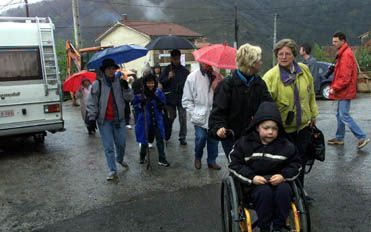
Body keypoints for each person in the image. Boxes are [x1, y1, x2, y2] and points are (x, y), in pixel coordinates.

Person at [229, 101, 301, 232]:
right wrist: (252, 177)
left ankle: (279, 227)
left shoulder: (286, 145)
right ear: (257, 127)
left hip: (278, 181)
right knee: (264, 192)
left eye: (274, 129)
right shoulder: (245, 143)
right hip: (254, 185)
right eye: (266, 128)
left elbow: (295, 164)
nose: (270, 132)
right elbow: (235, 165)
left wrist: (283, 175)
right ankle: (265, 227)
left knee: (284, 191)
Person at [262, 38, 319, 191]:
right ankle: (284, 192)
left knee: (300, 161)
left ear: (294, 55)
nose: (284, 57)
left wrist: (313, 115)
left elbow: (311, 94)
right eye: (280, 54)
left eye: (287, 53)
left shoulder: (304, 70)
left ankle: (299, 191)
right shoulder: (270, 77)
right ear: (276, 56)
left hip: (303, 128)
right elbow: (265, 106)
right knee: (283, 162)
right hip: (282, 130)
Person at [208, 43, 272, 156]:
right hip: (232, 139)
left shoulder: (260, 83)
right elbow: (218, 112)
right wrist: (219, 128)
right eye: (259, 60)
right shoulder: (226, 85)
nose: (261, 63)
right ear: (251, 64)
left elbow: (268, 107)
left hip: (254, 137)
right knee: (236, 168)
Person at [86, 58, 133, 180]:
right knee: (109, 147)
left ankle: (120, 159)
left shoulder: (120, 82)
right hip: (104, 121)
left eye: (113, 68)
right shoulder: (98, 84)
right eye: (109, 68)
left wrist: (126, 87)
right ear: (104, 70)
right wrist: (91, 118)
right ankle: (112, 170)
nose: (111, 71)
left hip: (119, 119)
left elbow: (129, 98)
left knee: (121, 144)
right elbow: (91, 102)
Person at [327, 31, 370, 149]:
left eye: (336, 41)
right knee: (339, 114)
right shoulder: (344, 53)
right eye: (333, 42)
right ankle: (339, 137)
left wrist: (334, 88)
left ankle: (362, 137)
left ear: (343, 41)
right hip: (344, 90)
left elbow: (345, 78)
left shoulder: (346, 55)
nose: (333, 44)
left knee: (344, 115)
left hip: (344, 90)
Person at [182, 62, 223, 170]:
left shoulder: (217, 76)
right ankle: (198, 157)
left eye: (210, 63)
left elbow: (222, 95)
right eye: (206, 63)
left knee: (214, 139)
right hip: (199, 115)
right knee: (201, 138)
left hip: (214, 114)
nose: (209, 65)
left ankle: (211, 161)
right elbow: (186, 100)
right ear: (200, 62)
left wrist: (218, 80)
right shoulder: (192, 78)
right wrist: (195, 112)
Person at [133, 74, 170, 167]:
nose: (151, 85)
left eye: (152, 82)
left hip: (157, 121)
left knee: (160, 140)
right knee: (144, 141)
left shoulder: (158, 92)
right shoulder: (141, 94)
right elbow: (135, 106)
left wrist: (161, 104)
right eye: (148, 82)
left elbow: (163, 102)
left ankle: (162, 159)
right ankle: (142, 156)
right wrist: (140, 105)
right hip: (145, 121)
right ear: (145, 83)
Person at [160, 49, 190, 145]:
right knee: (171, 118)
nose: (176, 60)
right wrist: (168, 77)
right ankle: (167, 134)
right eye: (174, 58)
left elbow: (189, 84)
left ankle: (182, 137)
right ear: (171, 59)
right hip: (170, 98)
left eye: (177, 58)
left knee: (183, 118)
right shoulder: (167, 69)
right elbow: (161, 82)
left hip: (182, 98)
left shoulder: (184, 70)